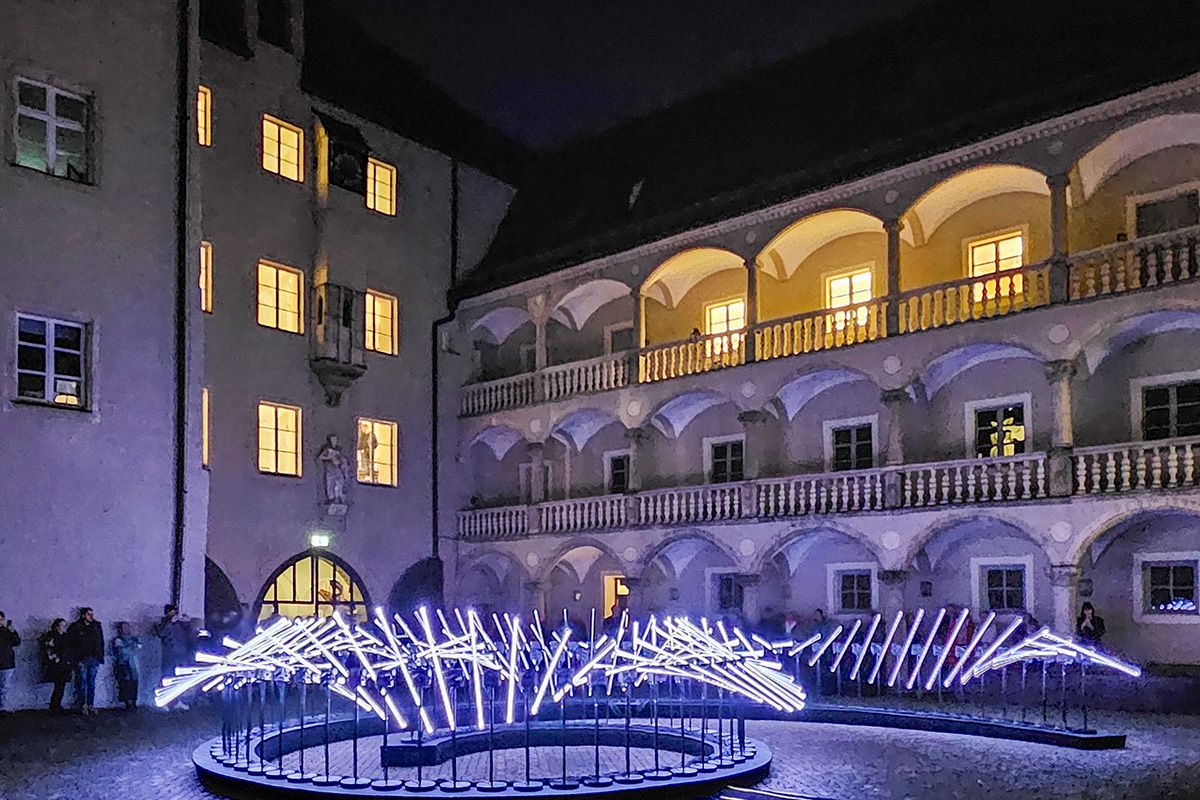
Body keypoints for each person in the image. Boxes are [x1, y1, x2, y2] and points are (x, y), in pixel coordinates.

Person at [156, 604, 194, 710]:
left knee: (179, 680)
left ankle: (178, 701)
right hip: (169, 656)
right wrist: (170, 622)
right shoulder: (164, 623)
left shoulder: (180, 624)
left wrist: (188, 623)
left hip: (181, 655)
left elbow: (189, 635)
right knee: (167, 678)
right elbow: (160, 633)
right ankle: (165, 702)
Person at [68, 607, 104, 714]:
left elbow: (100, 642)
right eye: (89, 614)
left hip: (93, 658)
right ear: (83, 615)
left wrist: (100, 657)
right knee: (82, 682)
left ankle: (90, 704)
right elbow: (71, 644)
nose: (91, 616)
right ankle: (82, 704)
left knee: (91, 683)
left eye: (92, 614)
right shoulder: (76, 627)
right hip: (81, 658)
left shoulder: (96, 626)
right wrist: (75, 659)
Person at [40, 618, 73, 712]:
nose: (64, 627)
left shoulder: (66, 637)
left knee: (61, 686)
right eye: (62, 625)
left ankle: (57, 705)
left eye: (65, 625)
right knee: (58, 686)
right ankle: (54, 706)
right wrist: (55, 658)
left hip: (64, 664)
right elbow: (48, 650)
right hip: (56, 665)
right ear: (56, 626)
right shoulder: (51, 636)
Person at [112, 622, 142, 710]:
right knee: (126, 683)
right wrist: (132, 646)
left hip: (133, 664)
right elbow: (121, 652)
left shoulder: (133, 638)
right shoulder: (118, 639)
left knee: (134, 682)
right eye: (124, 627)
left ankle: (134, 700)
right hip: (123, 664)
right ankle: (127, 701)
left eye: (127, 627)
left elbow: (139, 647)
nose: (127, 629)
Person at [0, 611, 20, 713]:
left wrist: (12, 631)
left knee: (5, 687)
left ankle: (3, 707)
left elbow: (17, 642)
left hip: (6, 663)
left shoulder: (8, 631)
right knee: (4, 687)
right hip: (6, 662)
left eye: (1, 620)